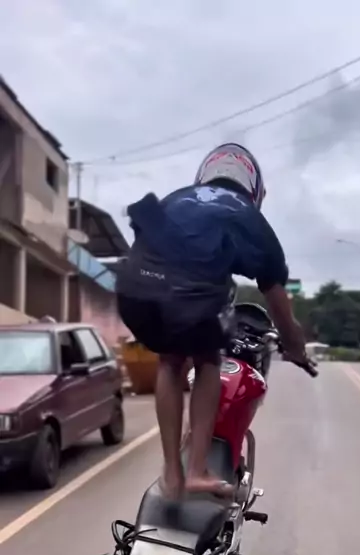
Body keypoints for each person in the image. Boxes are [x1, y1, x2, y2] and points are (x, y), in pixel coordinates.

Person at [116, 142, 307, 500]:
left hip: (134, 290)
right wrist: (296, 347)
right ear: (254, 189)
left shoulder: (177, 198)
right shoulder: (248, 217)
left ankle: (171, 473)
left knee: (171, 362)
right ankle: (196, 471)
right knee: (207, 361)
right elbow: (278, 302)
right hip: (190, 297)